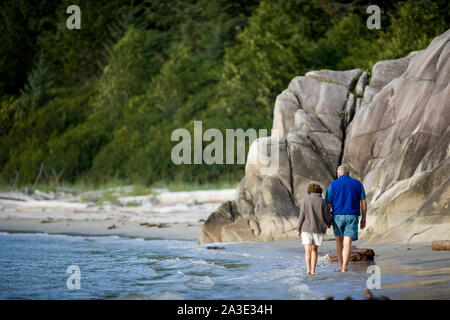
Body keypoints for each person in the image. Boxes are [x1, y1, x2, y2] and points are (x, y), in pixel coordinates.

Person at [325, 165, 367, 273]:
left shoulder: (332, 184)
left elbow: (328, 204)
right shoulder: (357, 184)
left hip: (337, 217)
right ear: (348, 173)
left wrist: (327, 220)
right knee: (347, 242)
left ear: (338, 174)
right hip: (352, 216)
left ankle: (340, 266)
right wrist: (364, 218)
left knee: (339, 241)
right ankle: (344, 267)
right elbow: (364, 202)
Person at [297, 183, 331, 275]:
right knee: (314, 250)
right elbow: (326, 215)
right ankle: (313, 270)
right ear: (319, 191)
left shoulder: (305, 200)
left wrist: (298, 229)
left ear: (309, 191)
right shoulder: (323, 201)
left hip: (306, 229)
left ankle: (308, 270)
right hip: (318, 229)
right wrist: (329, 223)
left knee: (307, 250)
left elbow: (302, 216)